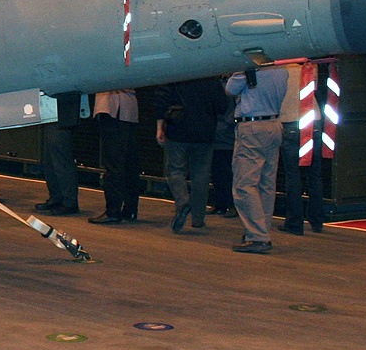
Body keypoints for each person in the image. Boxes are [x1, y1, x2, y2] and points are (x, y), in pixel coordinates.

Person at [225, 66, 289, 253]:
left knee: (244, 184)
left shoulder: (248, 69)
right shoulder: (283, 69)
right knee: (266, 184)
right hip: (274, 124)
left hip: (252, 127)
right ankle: (262, 231)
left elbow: (229, 90)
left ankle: (257, 236)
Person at [156, 77, 228, 233]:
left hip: (178, 129)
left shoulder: (178, 74)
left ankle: (182, 201)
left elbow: (161, 101)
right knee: (201, 176)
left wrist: (159, 128)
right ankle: (198, 219)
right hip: (205, 131)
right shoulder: (212, 78)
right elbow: (222, 106)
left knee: (175, 170)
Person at [277, 62, 323, 235]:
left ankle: (295, 223)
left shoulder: (278, 68)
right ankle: (317, 220)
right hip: (313, 119)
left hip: (289, 120)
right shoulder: (310, 66)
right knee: (314, 174)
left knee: (293, 175)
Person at [89, 90, 139, 224]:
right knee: (129, 163)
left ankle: (113, 211)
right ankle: (130, 209)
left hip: (113, 108)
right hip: (128, 109)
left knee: (113, 163)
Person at [35, 92, 82, 215]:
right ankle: (57, 198)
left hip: (61, 114)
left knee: (61, 162)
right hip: (50, 113)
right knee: (49, 161)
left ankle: (69, 202)